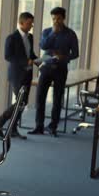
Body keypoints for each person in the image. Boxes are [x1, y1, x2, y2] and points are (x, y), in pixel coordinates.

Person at [28, 7, 79, 137]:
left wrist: (64, 57)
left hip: (61, 69)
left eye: (58, 18)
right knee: (40, 97)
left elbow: (76, 54)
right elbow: (43, 46)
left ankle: (53, 126)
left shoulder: (71, 34)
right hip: (46, 68)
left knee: (57, 98)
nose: (56, 21)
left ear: (63, 18)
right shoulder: (46, 32)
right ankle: (39, 126)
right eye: (54, 19)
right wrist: (53, 33)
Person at [0, 12, 38, 139]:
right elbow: (8, 56)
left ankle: (12, 129)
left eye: (32, 23)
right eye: (29, 23)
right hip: (17, 74)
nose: (31, 25)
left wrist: (39, 60)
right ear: (21, 23)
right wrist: (25, 61)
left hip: (28, 73)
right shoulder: (11, 38)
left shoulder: (30, 37)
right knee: (20, 101)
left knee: (23, 103)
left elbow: (30, 53)